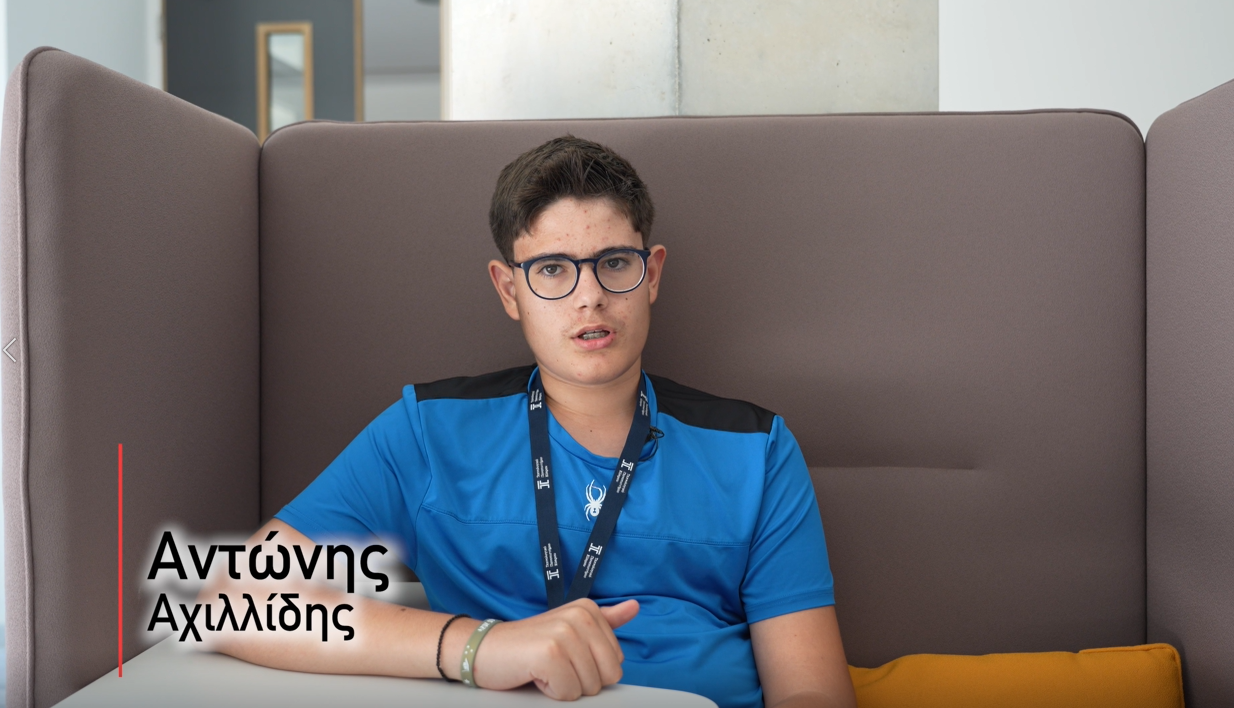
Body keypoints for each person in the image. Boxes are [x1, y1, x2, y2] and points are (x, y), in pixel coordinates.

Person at [206, 135, 857, 708]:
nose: (589, 297)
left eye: (615, 263)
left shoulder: (756, 448)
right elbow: (231, 602)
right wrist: (478, 647)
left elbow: (813, 691)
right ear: (509, 290)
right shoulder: (428, 433)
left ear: (652, 274)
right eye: (552, 270)